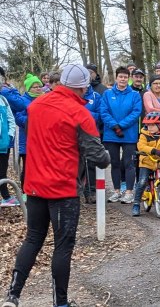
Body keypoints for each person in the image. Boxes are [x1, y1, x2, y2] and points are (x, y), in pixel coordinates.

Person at [2, 65, 110, 307]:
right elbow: (97, 155)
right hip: (63, 188)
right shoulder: (79, 114)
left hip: (35, 185)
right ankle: (60, 302)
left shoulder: (36, 106)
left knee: (33, 238)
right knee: (63, 245)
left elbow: (32, 133)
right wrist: (104, 156)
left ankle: (13, 295)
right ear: (83, 87)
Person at [100, 67, 143, 204]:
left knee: (129, 163)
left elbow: (136, 112)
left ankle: (129, 192)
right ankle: (117, 191)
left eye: (125, 77)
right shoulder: (107, 94)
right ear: (116, 78)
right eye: (121, 77)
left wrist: (121, 125)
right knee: (115, 163)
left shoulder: (135, 95)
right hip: (111, 134)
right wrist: (114, 126)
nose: (123, 79)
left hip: (128, 134)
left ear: (128, 78)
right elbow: (104, 111)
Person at [131, 112, 160, 216]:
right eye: (148, 125)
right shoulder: (144, 135)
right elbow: (141, 146)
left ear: (159, 125)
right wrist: (154, 151)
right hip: (147, 162)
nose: (149, 127)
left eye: (152, 125)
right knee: (142, 181)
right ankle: (136, 204)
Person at [14, 73, 45, 190]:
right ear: (28, 88)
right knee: (28, 168)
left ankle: (40, 189)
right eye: (35, 87)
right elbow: (18, 118)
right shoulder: (22, 100)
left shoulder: (45, 98)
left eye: (39, 86)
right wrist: (33, 120)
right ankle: (25, 191)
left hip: (43, 140)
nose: (38, 89)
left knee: (41, 167)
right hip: (27, 140)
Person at [81, 77, 103, 204]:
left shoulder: (96, 96)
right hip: (75, 133)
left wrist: (85, 115)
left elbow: (100, 115)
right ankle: (77, 190)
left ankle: (91, 191)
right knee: (78, 164)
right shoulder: (73, 95)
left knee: (91, 163)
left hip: (91, 133)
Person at [0, 90, 17, 207]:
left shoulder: (3, 100)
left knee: (2, 170)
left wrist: (10, 135)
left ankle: (5, 196)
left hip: (3, 143)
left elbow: (11, 119)